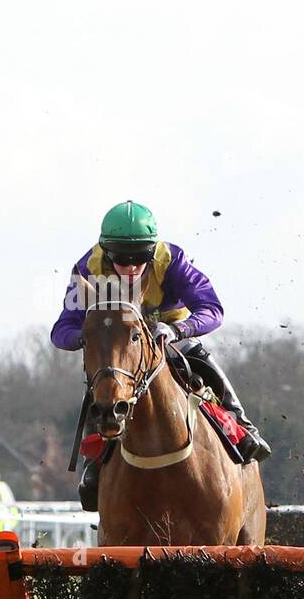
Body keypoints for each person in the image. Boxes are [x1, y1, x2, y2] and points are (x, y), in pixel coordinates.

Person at [51, 200, 270, 510]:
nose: (130, 268)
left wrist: (180, 330)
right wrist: (85, 338)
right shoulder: (88, 268)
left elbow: (212, 309)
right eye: (120, 259)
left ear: (152, 251)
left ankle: (241, 426)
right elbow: (62, 328)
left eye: (139, 258)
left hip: (168, 334)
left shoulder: (172, 260)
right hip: (122, 346)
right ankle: (96, 465)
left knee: (197, 358)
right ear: (105, 251)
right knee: (104, 383)